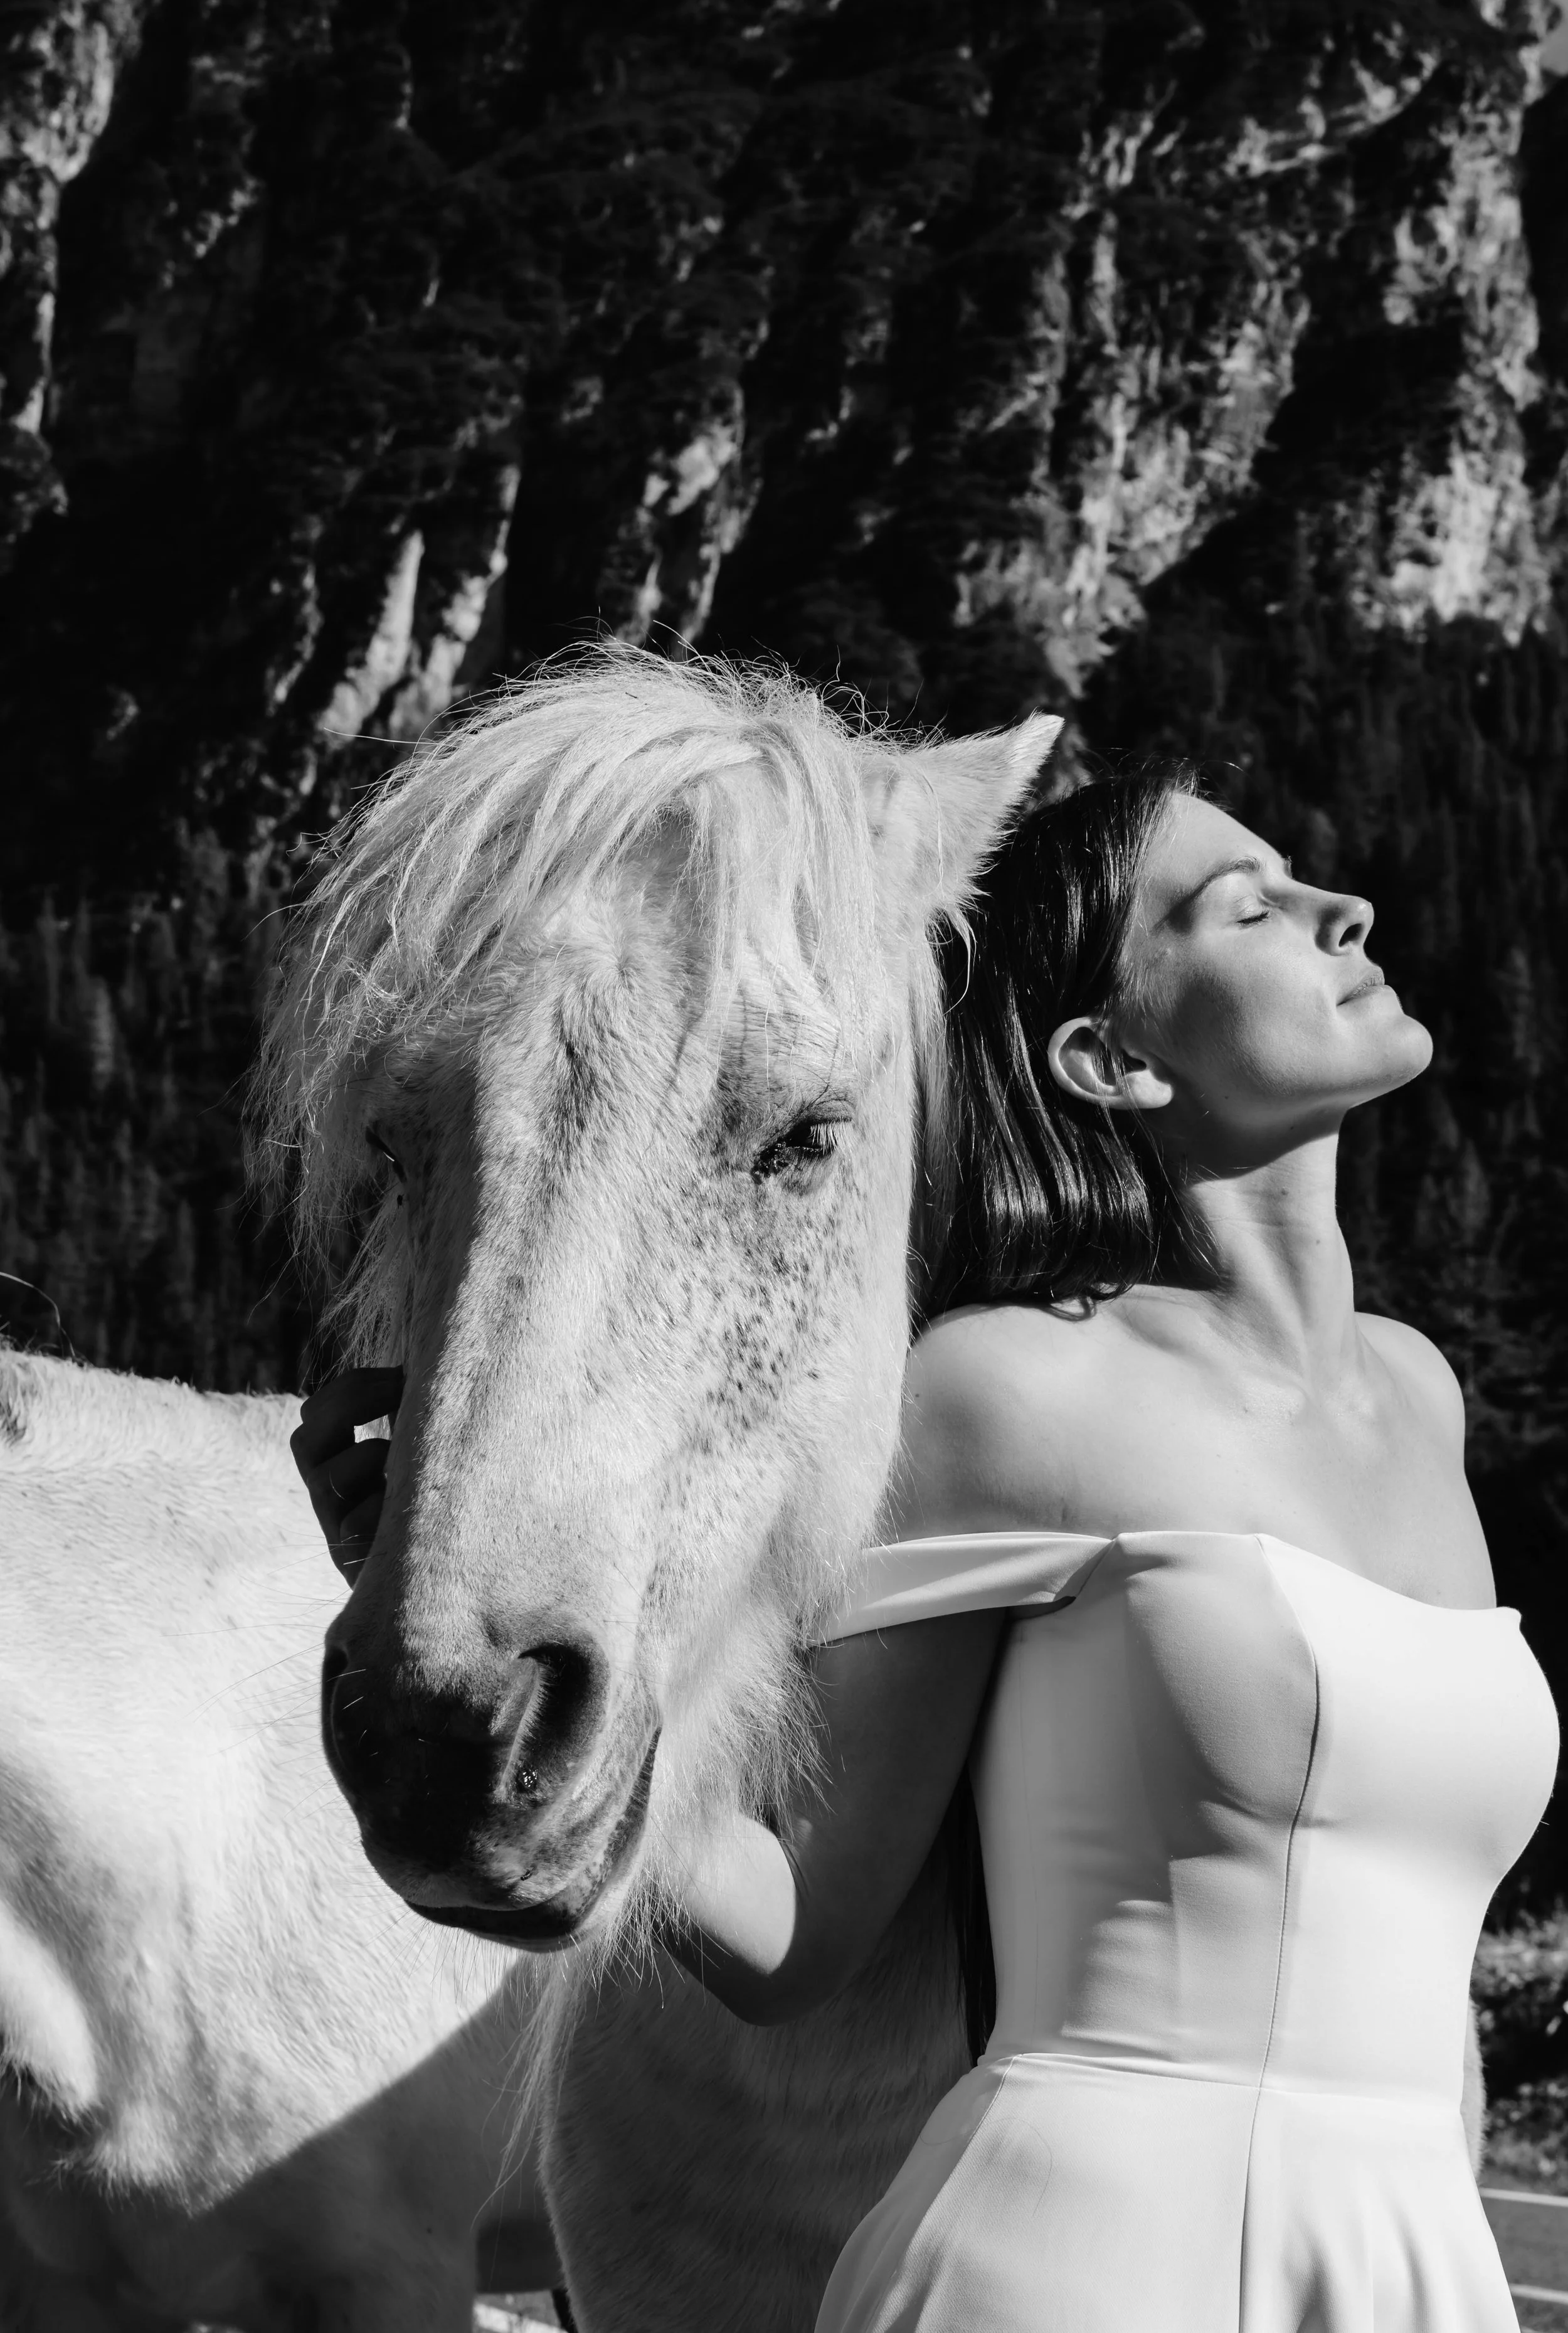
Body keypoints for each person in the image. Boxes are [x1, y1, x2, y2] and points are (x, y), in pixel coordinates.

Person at [295, 765, 1557, 2330]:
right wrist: (502, 1693)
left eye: (1294, 875)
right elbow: (790, 1935)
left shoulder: (1416, 1398)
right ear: (1111, 1059)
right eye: (1242, 903)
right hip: (1082, 2258)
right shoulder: (1008, 1389)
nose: (1336, 906)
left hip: (1403, 2253)